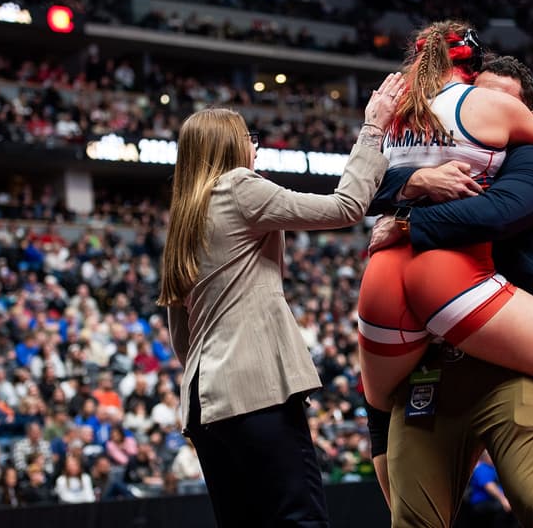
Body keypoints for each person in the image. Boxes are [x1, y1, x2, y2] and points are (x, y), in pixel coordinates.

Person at [357, 20, 533, 527]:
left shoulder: (394, 112)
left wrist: (409, 209)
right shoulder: (500, 126)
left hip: (414, 294)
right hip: (455, 301)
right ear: (472, 75)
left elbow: (355, 192)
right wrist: (417, 180)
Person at [158, 72, 405, 527]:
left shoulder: (183, 218)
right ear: (230, 146)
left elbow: (182, 338)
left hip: (202, 403)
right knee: (300, 519)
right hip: (255, 393)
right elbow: (345, 207)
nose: (254, 145)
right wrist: (373, 131)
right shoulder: (237, 187)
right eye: (247, 137)